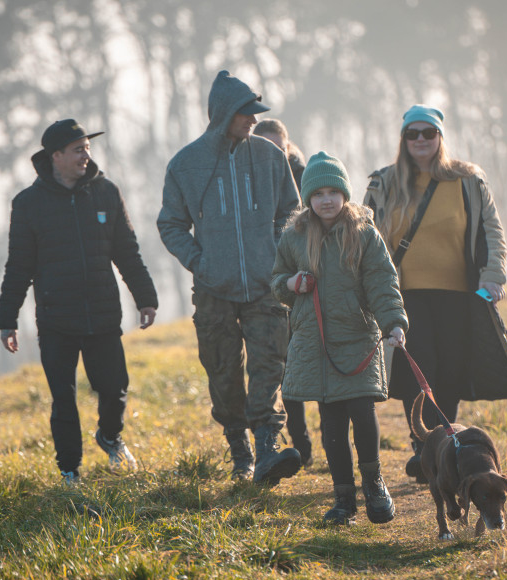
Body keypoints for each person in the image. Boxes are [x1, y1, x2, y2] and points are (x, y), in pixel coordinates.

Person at [364, 105, 507, 483]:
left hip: (459, 294)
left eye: (428, 133)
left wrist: (492, 276)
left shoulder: (468, 180)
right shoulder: (383, 183)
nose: (420, 140)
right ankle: (423, 446)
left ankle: (444, 442)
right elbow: (366, 236)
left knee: (452, 368)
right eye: (412, 134)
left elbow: (491, 231)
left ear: (440, 137)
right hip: (404, 294)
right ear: (402, 140)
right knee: (419, 369)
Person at [157, 70, 302, 486]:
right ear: (223, 114)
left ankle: (268, 450)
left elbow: (290, 213)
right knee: (222, 371)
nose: (253, 120)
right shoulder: (186, 164)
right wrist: (201, 263)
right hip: (213, 290)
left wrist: (276, 258)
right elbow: (170, 225)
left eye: (256, 113)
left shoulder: (271, 157)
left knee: (268, 366)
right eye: (245, 113)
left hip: (265, 287)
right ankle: (239, 450)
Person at [0, 119, 159, 485]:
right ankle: (70, 469)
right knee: (64, 400)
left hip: (103, 315)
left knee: (115, 389)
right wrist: (7, 319)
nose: (86, 155)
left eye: (87, 148)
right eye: (77, 149)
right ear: (55, 157)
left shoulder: (106, 193)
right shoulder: (27, 204)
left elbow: (127, 252)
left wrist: (145, 298)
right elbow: (18, 266)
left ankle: (110, 437)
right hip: (56, 322)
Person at [271, 152, 407, 525]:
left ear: (345, 194)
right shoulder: (294, 236)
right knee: (331, 423)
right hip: (316, 344)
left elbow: (383, 281)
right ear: (308, 198)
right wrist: (290, 283)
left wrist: (394, 322)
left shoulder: (364, 234)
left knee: (363, 413)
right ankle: (343, 497)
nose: (326, 199)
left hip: (357, 338)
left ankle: (375, 484)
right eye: (318, 193)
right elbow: (276, 281)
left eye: (334, 191)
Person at [253, 118, 313, 468]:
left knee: (313, 359)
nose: (275, 153)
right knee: (285, 368)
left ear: (288, 146)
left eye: (280, 146)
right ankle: (300, 439)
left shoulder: (309, 180)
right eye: (266, 147)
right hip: (271, 287)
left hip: (308, 283)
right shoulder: (251, 179)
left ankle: (333, 438)